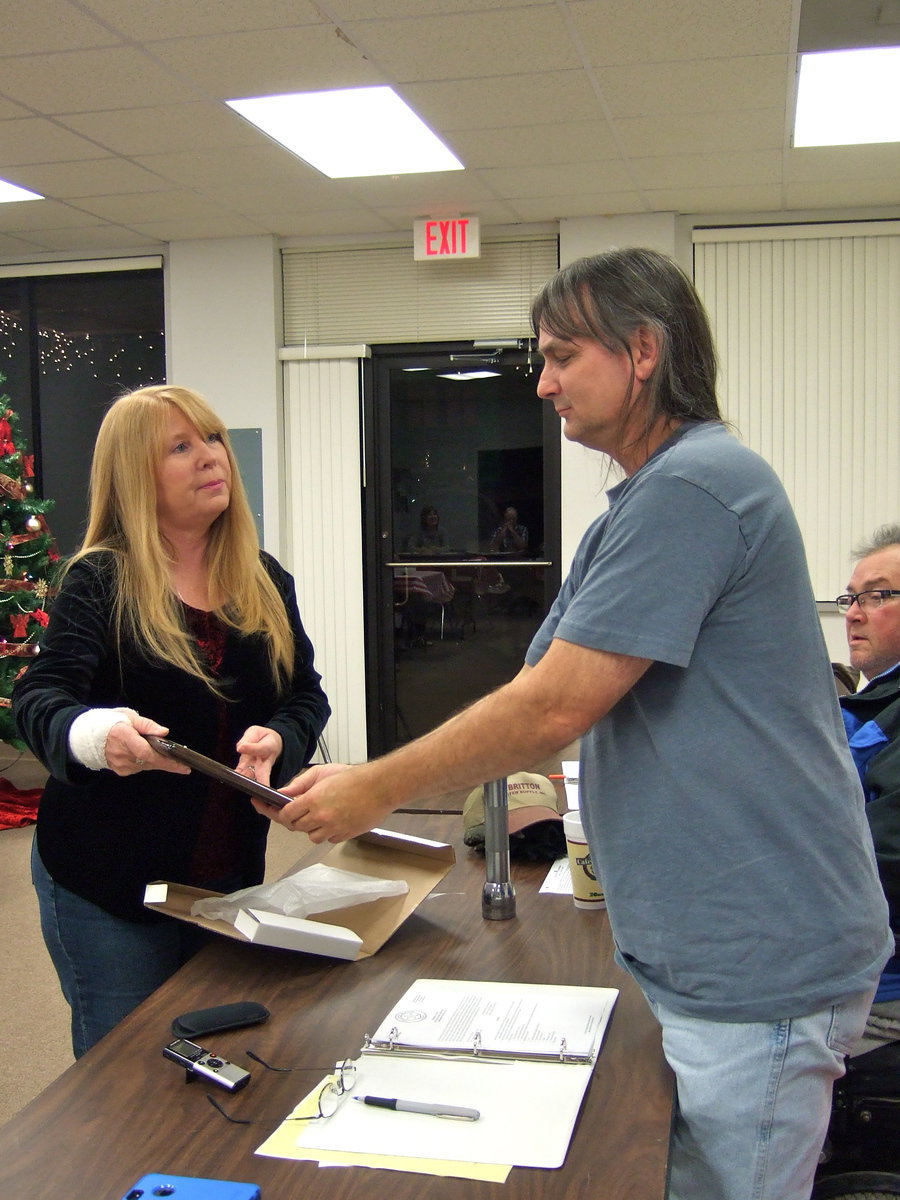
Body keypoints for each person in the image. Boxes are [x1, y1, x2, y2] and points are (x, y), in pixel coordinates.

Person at [255, 248, 892, 1200]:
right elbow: (540, 689)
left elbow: (554, 706)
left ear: (642, 351)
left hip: (759, 960)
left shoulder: (694, 487)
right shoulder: (636, 505)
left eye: (561, 356)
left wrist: (370, 788)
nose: (543, 382)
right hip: (710, 949)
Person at [13, 384, 330, 1058]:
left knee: (211, 1053)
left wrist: (282, 737)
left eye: (212, 439)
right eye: (180, 447)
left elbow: (304, 696)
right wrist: (99, 738)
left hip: (222, 881)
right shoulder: (100, 580)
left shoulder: (263, 578)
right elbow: (41, 699)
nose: (211, 457)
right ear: (137, 476)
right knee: (123, 1074)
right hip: (109, 885)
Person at [836, 523, 900, 1054]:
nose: (853, 613)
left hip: (877, 993)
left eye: (876, 595)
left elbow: (884, 855)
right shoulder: (874, 698)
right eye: (851, 597)